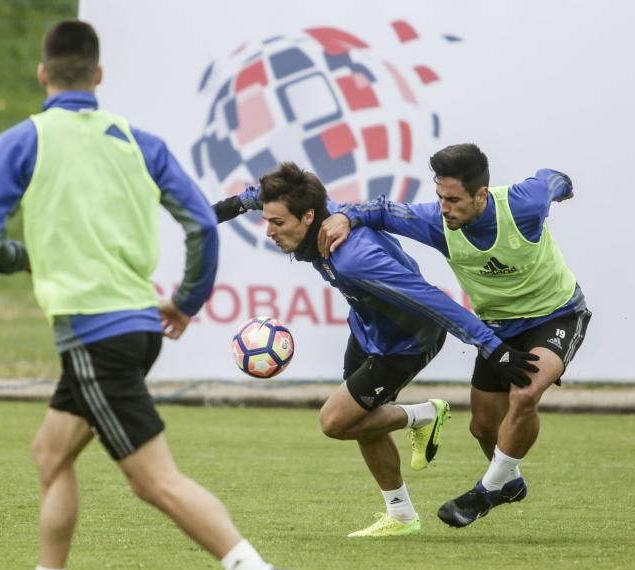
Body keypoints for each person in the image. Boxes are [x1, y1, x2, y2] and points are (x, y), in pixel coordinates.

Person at [0, 20, 300, 570]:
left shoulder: (23, 139)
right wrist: (187, 301)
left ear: (43, 76)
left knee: (154, 482)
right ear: (97, 77)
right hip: (139, 327)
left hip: (95, 336)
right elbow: (201, 221)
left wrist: (26, 258)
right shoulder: (136, 139)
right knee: (49, 454)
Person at [212, 162, 539, 539]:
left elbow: (432, 300)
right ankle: (400, 515)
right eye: (267, 220)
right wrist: (224, 210)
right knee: (361, 422)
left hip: (407, 342)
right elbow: (259, 196)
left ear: (307, 217)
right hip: (367, 331)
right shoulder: (314, 209)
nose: (269, 231)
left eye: (278, 224)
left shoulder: (356, 258)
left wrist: (493, 347)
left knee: (335, 422)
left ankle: (424, 415)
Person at [318, 143, 592, 528]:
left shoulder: (523, 206)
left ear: (481, 194)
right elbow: (380, 210)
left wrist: (563, 186)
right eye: (440, 197)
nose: (445, 208)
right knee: (482, 429)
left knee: (527, 392)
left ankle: (484, 492)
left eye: (453, 199)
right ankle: (509, 483)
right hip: (498, 326)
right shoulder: (437, 222)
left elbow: (549, 179)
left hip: (557, 314)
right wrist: (345, 216)